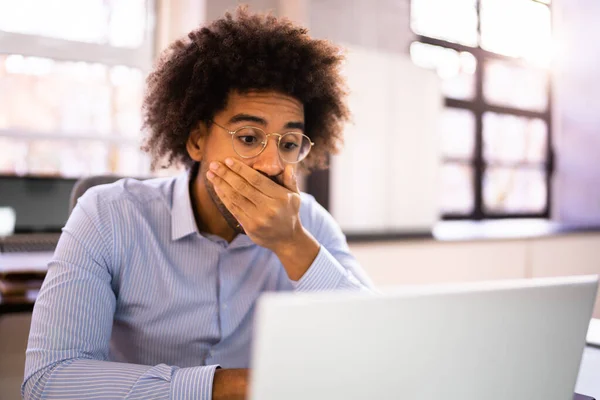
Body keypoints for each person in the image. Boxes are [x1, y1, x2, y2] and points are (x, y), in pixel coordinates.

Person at [22, 7, 373, 400]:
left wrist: (293, 245)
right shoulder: (108, 215)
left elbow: (377, 355)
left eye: (289, 144)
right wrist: (232, 387)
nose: (272, 164)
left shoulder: (309, 223)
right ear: (196, 141)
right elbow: (49, 381)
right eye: (248, 137)